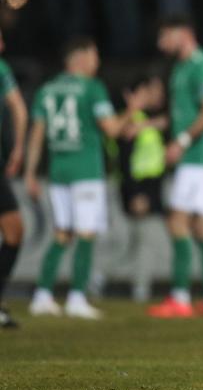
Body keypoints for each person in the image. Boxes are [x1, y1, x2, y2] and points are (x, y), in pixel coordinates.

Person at [25, 36, 141, 319]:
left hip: (58, 171)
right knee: (86, 234)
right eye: (94, 55)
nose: (97, 62)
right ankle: (77, 298)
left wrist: (29, 173)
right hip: (86, 171)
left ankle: (42, 295)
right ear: (80, 57)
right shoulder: (92, 88)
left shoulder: (47, 90)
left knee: (62, 233)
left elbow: (37, 134)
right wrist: (132, 110)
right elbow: (111, 129)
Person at [147, 15, 203, 319]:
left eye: (165, 35)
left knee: (177, 221)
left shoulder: (202, 64)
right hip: (197, 157)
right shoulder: (180, 69)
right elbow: (183, 116)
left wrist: (180, 142)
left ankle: (180, 297)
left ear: (184, 33)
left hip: (198, 157)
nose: (161, 43)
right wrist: (148, 126)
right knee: (202, 225)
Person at [113, 75, 167, 301]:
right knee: (146, 242)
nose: (160, 95)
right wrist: (135, 192)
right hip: (137, 188)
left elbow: (167, 122)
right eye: (154, 90)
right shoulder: (128, 121)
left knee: (135, 245)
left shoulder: (144, 120)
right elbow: (124, 159)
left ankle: (98, 277)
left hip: (151, 188)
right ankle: (140, 290)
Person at [0, 28, 28, 328]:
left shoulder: (2, 67)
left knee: (14, 232)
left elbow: (18, 109)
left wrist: (17, 149)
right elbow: (19, 109)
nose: (3, 44)